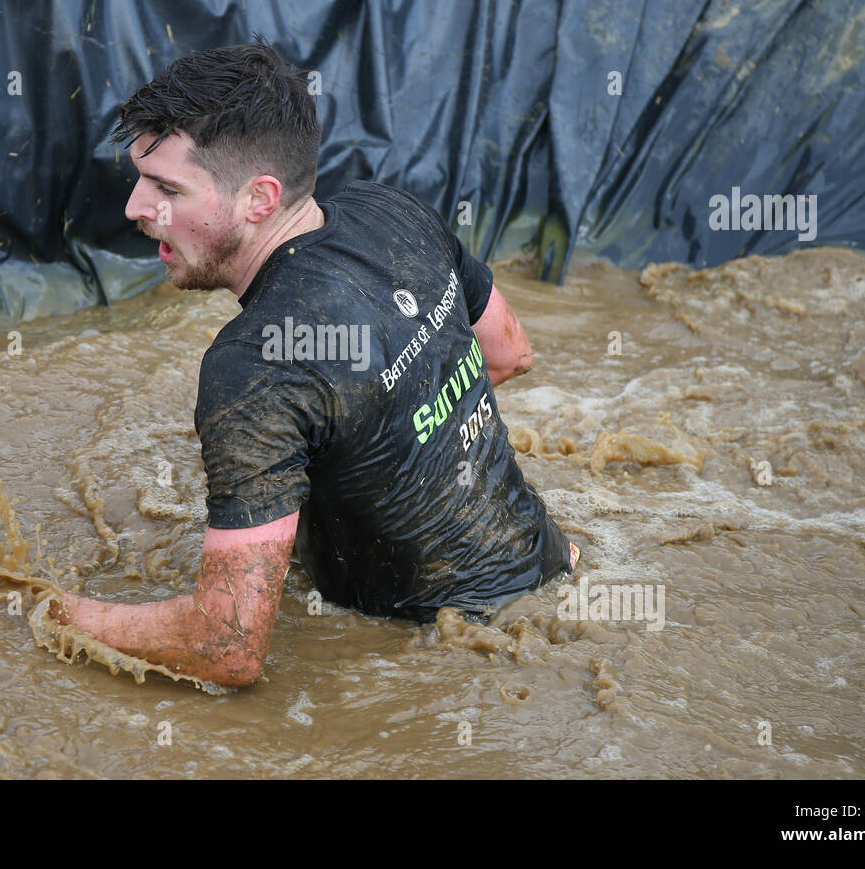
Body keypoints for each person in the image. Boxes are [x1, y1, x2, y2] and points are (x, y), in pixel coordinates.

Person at [52, 38, 578, 688]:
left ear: (259, 199)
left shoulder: (250, 369)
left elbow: (226, 647)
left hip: (464, 664)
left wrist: (54, 612)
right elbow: (509, 352)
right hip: (554, 572)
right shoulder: (394, 212)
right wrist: (400, 431)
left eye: (165, 188)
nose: (136, 208)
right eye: (138, 179)